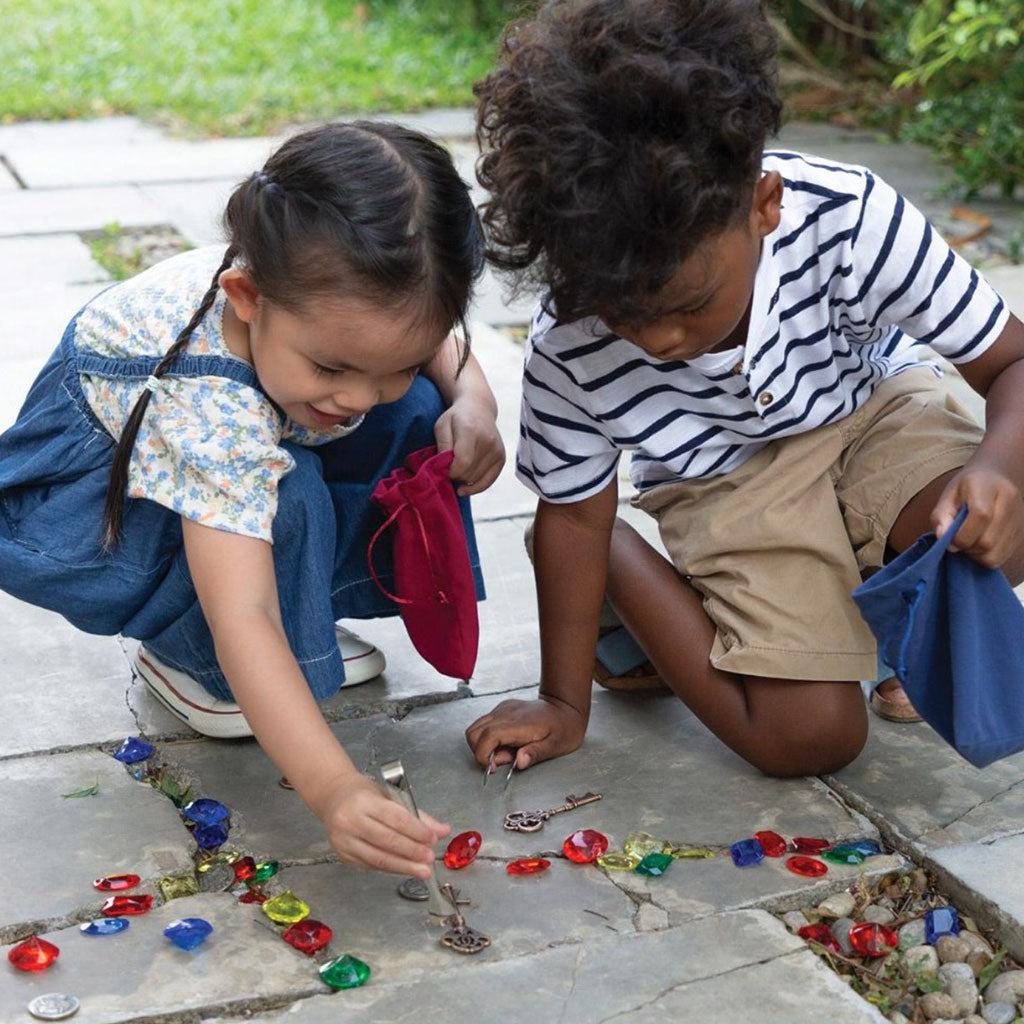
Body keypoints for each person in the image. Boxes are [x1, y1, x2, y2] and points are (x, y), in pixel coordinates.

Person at [464, 0, 1024, 779]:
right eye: (624, 316)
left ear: (764, 206)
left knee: (999, 532)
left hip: (872, 413)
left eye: (688, 306)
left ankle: (885, 631)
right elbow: (574, 516)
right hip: (728, 485)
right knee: (811, 740)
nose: (659, 341)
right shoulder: (570, 345)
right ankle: (630, 574)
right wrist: (562, 703)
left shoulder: (849, 217)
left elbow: (1011, 365)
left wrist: (997, 468)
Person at [0, 121, 504, 878]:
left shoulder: (321, 294)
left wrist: (472, 398)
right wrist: (335, 789)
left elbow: (433, 341)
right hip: (92, 514)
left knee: (415, 412)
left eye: (388, 364)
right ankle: (197, 662)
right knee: (285, 497)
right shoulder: (211, 409)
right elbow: (247, 611)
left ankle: (300, 624)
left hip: (210, 456)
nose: (359, 394)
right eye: (334, 365)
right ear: (247, 297)